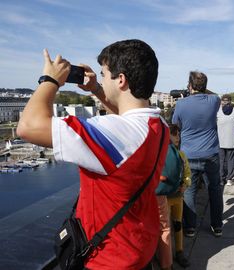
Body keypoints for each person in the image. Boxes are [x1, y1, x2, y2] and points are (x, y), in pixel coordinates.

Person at [17, 39, 170, 269]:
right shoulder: (159, 125)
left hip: (108, 257)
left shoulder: (114, 132)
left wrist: (49, 80)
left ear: (121, 80)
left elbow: (28, 126)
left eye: (104, 74)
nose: (102, 79)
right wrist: (97, 89)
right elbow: (127, 117)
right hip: (139, 245)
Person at [172, 71, 224, 237]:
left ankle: (191, 227)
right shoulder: (214, 100)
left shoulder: (181, 104)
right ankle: (217, 226)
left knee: (189, 191)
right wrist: (199, 89)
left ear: (190, 85)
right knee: (215, 190)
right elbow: (215, 94)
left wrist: (188, 94)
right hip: (211, 154)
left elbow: (175, 125)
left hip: (189, 154)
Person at [155, 124, 191, 269]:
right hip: (163, 198)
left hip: (177, 197)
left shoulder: (181, 155)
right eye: (174, 134)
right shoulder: (160, 155)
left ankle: (179, 251)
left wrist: (185, 184)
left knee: (177, 225)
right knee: (165, 228)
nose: (178, 138)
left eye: (179, 134)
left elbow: (188, 173)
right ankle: (165, 255)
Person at [217, 94, 234, 186]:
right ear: (230, 101)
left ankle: (220, 179)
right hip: (232, 141)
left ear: (222, 102)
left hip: (220, 141)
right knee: (231, 160)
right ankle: (230, 179)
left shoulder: (217, 111)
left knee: (220, 161)